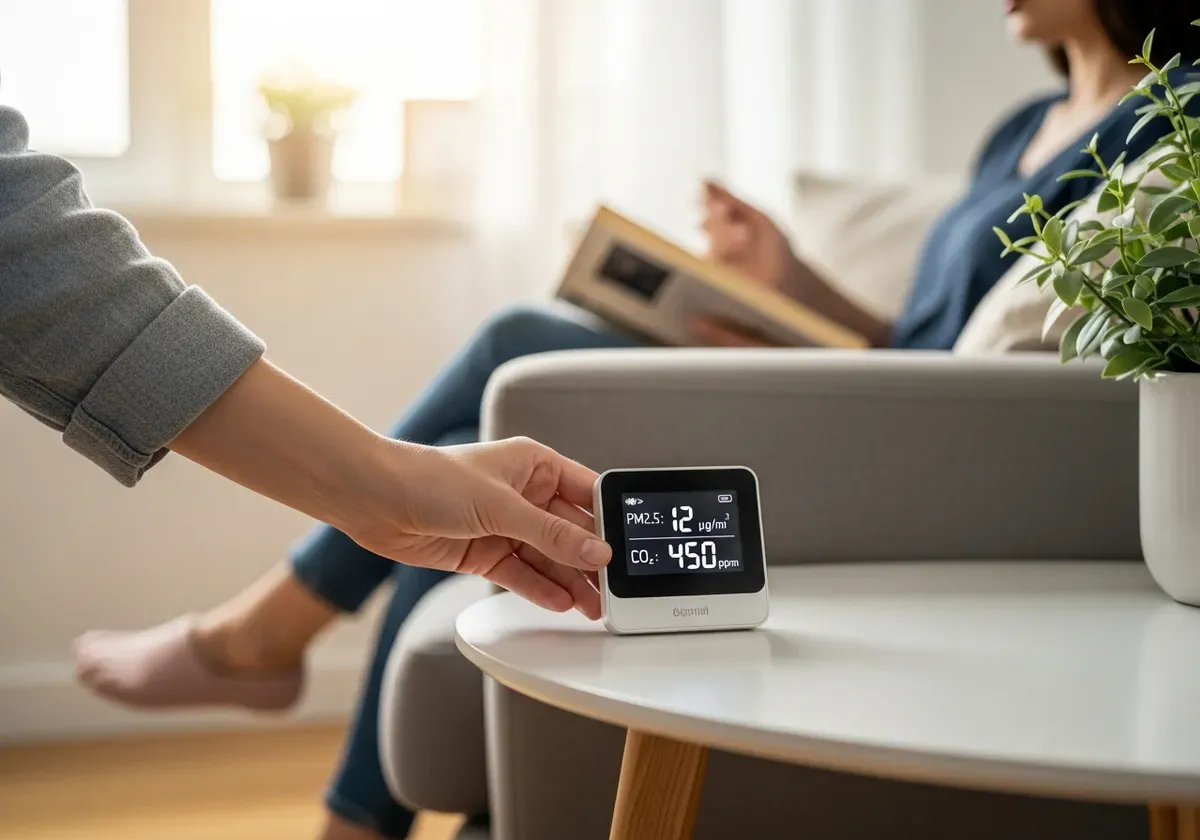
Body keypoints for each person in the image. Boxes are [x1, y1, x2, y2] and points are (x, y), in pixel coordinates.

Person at [73, 1, 1200, 838]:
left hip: (917, 450)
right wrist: (789, 281)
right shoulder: (1024, 125)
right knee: (492, 466)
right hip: (878, 398)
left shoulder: (1176, 118)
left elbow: (971, 384)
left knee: (518, 346)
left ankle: (269, 644)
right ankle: (335, 789)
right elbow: (915, 338)